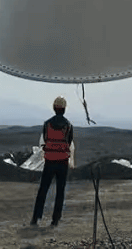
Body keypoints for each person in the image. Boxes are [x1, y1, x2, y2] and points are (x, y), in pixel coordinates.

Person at [30, 95, 73, 228]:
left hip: (49, 161)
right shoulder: (68, 126)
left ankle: (36, 218)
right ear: (64, 109)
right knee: (60, 191)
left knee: (43, 189)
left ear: (54, 108)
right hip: (62, 162)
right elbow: (69, 142)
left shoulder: (47, 124)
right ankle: (55, 220)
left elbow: (45, 139)